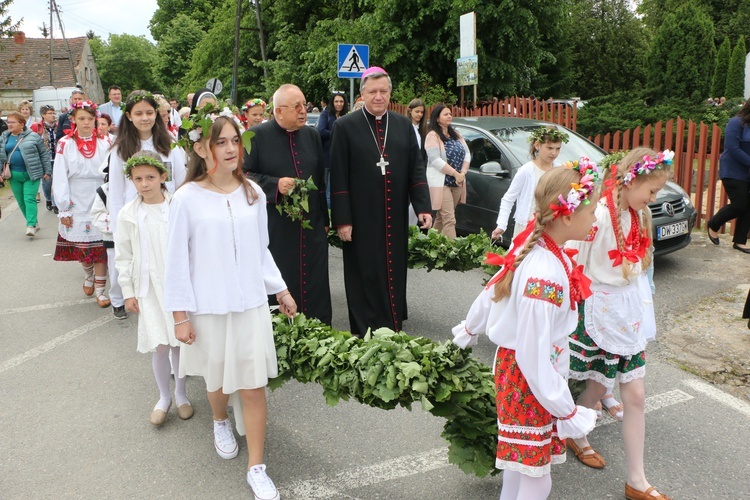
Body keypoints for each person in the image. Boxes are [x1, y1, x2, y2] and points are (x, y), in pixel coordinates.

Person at [164, 113, 295, 500]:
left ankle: (257, 467)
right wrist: (180, 315)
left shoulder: (253, 193)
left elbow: (261, 251)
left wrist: (281, 290)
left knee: (254, 387)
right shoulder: (185, 198)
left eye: (234, 141)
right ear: (202, 148)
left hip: (250, 303)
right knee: (218, 381)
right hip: (209, 305)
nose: (229, 149)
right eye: (220, 142)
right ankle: (219, 420)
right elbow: (176, 261)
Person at [452, 162, 600, 500]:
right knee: (537, 478)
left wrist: (471, 326)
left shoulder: (539, 248)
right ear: (566, 215)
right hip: (530, 380)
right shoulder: (544, 276)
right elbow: (534, 353)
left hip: (523, 374)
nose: (595, 219)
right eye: (591, 211)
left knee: (521, 471)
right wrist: (566, 408)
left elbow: (493, 288)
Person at [566, 148, 673, 500]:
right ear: (630, 181)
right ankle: (577, 435)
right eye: (651, 191)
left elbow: (641, 260)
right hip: (598, 306)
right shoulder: (596, 215)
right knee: (596, 386)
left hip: (627, 310)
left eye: (657, 192)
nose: (653, 199)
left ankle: (636, 481)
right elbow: (573, 260)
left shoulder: (640, 215)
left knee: (637, 395)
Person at [330, 66, 432, 336]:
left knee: (393, 270)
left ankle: (392, 326)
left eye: (383, 91)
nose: (378, 96)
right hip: (360, 217)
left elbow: (416, 168)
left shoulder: (402, 126)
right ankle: (363, 330)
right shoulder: (345, 126)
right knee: (363, 273)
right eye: (372, 91)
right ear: (362, 94)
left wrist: (423, 207)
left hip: (393, 217)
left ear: (390, 93)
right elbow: (338, 176)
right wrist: (342, 220)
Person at [115, 151, 193, 424]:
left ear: (163, 177)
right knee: (159, 344)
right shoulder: (128, 214)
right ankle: (164, 396)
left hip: (177, 286)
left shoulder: (177, 207)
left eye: (150, 177)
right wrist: (128, 291)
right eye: (138, 179)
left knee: (179, 343)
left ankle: (182, 394)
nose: (145, 183)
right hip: (148, 288)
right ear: (132, 181)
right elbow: (123, 255)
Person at [244, 84, 332, 324]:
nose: (303, 110)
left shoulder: (312, 135)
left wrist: (324, 219)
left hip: (311, 226)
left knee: (315, 282)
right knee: (283, 278)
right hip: (277, 226)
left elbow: (320, 181)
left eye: (304, 105)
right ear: (278, 111)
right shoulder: (256, 137)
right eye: (296, 107)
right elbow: (243, 176)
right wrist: (274, 184)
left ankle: (319, 329)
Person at [108, 90, 187, 319]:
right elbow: (116, 192)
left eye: (150, 112)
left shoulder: (170, 144)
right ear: (129, 116)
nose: (145, 118)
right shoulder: (121, 148)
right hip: (136, 217)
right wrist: (117, 228)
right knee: (142, 265)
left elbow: (181, 183)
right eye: (139, 113)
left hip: (166, 214)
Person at [52, 100, 111, 307]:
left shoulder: (106, 142)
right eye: (81, 119)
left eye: (90, 118)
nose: (86, 122)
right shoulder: (65, 144)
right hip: (76, 196)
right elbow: (60, 176)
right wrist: (64, 208)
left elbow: (111, 173)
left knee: (101, 246)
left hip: (99, 197)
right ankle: (88, 275)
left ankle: (102, 290)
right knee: (83, 247)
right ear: (74, 120)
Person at [492, 126, 569, 241]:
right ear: (537, 145)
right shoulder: (527, 170)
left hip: (551, 226)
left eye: (557, 148)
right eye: (549, 148)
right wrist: (501, 225)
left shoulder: (559, 169)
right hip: (528, 226)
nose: (554, 153)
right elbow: (508, 199)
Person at [707, 100, 750, 253]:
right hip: (733, 171)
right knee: (740, 204)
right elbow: (732, 148)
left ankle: (739, 241)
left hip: (748, 173)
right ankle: (713, 224)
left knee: (748, 206)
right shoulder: (736, 123)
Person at [0, 111, 52, 236]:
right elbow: (1, 156)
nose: (9, 124)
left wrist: (47, 171)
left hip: (32, 174)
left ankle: (31, 225)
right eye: (8, 122)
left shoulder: (33, 136)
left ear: (22, 124)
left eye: (13, 122)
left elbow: (43, 155)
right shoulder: (4, 137)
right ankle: (33, 221)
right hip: (13, 175)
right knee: (21, 201)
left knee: (29, 199)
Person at [424, 103, 471, 239]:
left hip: (457, 181)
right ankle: (453, 252)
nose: (449, 116)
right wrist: (455, 173)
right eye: (446, 114)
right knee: (450, 219)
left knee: (441, 217)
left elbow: (467, 153)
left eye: (450, 113)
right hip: (441, 182)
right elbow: (435, 160)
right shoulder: (432, 136)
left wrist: (462, 173)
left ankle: (429, 244)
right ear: (437, 118)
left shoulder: (456, 134)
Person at [317, 91, 348, 206]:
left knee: (336, 186)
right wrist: (338, 134)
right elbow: (321, 131)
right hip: (326, 156)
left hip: (339, 157)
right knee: (325, 187)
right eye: (336, 101)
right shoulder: (326, 114)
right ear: (332, 102)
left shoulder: (346, 116)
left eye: (341, 101)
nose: (339, 104)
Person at [31, 104, 59, 213]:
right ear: (43, 115)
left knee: (57, 182)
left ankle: (55, 202)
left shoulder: (58, 126)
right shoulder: (37, 127)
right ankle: (48, 198)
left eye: (53, 113)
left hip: (57, 158)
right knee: (48, 182)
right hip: (45, 159)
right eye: (50, 113)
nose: (53, 115)